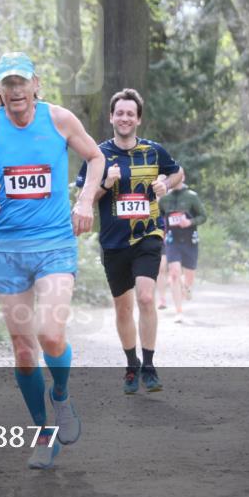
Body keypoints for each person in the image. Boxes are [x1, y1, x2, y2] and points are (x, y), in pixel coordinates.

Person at [0, 52, 104, 469]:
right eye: (8, 83)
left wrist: (86, 199)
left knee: (50, 334)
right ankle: (43, 432)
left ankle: (61, 396)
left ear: (36, 84)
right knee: (23, 349)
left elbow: (96, 157)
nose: (16, 91)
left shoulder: (59, 120)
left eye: (22, 83)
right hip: (7, 248)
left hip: (55, 243)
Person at [76, 88, 182, 395]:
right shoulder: (97, 155)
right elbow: (85, 198)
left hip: (148, 234)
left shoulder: (154, 151)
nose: (124, 118)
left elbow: (178, 173)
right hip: (113, 241)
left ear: (138, 119)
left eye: (130, 114)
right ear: (111, 117)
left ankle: (149, 366)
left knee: (146, 297)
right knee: (123, 308)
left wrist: (165, 181)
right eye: (119, 113)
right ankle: (131, 365)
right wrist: (105, 183)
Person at [159, 173, 207, 322]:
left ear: (183, 177)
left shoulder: (192, 196)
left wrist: (190, 222)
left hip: (189, 241)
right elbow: (160, 219)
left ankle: (187, 287)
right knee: (174, 273)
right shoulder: (165, 199)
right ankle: (178, 311)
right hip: (172, 240)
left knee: (189, 274)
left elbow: (203, 216)